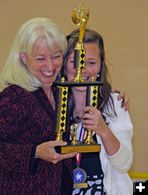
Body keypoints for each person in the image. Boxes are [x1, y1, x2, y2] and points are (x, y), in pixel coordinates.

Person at [0, 17, 77, 195]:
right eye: (40, 59)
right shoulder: (14, 96)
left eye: (56, 56)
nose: (50, 66)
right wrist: (35, 152)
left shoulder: (58, 91)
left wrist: (113, 96)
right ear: (23, 58)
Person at [62, 29, 133, 195]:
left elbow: (124, 164)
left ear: (101, 66)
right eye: (75, 61)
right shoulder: (51, 106)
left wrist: (103, 130)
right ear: (64, 65)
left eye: (91, 62)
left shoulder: (114, 104)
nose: (82, 70)